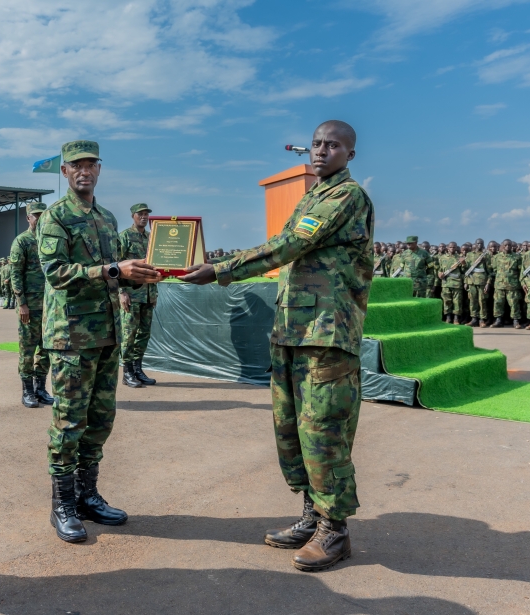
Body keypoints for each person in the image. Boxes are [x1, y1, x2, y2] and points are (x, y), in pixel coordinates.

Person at [181, 120, 372, 573]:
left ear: (350, 154)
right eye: (317, 145)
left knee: (323, 431)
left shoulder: (346, 196)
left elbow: (289, 244)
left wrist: (221, 269)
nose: (322, 152)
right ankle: (312, 515)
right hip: (293, 331)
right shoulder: (313, 196)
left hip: (326, 333)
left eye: (333, 146)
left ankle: (335, 531)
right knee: (292, 430)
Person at [36, 140, 160, 543]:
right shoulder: (55, 218)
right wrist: (111, 269)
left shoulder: (106, 218)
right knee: (69, 420)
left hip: (107, 333)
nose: (84, 171)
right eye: (76, 166)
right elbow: (56, 272)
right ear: (65, 172)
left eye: (90, 165)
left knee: (100, 419)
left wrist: (135, 274)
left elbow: (114, 273)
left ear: (100, 170)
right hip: (71, 335)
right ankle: (63, 504)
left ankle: (88, 495)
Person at [9, 202, 53, 407]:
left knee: (46, 349)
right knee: (27, 349)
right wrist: (22, 304)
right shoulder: (22, 241)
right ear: (28, 218)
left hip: (49, 306)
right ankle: (27, 391)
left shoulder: (50, 241)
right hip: (30, 307)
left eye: (42, 215)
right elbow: (15, 274)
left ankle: (41, 389)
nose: (39, 218)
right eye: (36, 215)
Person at [119, 203, 159, 387]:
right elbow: (116, 267)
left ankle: (137, 369)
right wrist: (122, 292)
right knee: (129, 334)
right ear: (133, 216)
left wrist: (154, 292)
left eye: (146, 214)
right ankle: (127, 372)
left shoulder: (152, 238)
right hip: (132, 295)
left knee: (144, 334)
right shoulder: (125, 237)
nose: (144, 217)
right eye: (140, 214)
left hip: (148, 294)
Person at [490, 239, 523, 328]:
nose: (507, 247)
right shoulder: (497, 257)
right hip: (499, 285)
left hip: (513, 285)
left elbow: (521, 270)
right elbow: (494, 269)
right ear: (502, 246)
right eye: (506, 245)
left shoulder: (517, 257)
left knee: (514, 303)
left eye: (509, 245)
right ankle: (498, 320)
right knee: (498, 303)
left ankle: (516, 321)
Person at [463, 239, 492, 327]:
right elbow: (467, 270)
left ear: (483, 245)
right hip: (471, 281)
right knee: (472, 301)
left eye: (481, 244)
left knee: (482, 301)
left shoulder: (486, 255)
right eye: (478, 243)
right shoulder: (469, 255)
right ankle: (474, 319)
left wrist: (488, 283)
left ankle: (482, 319)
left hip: (482, 281)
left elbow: (490, 271)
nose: (479, 245)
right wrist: (465, 281)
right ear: (475, 244)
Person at [437, 242, 466, 324]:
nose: (452, 249)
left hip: (456, 283)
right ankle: (448, 318)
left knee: (457, 301)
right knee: (446, 301)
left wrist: (463, 263)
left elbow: (464, 271)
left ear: (456, 248)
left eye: (454, 247)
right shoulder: (442, 258)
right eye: (450, 247)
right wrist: (439, 274)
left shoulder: (460, 258)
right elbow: (439, 269)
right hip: (446, 283)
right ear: (447, 248)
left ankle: (456, 318)